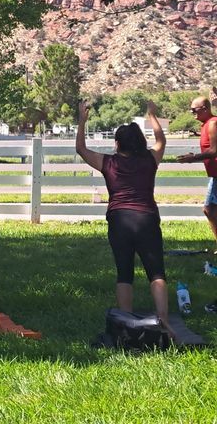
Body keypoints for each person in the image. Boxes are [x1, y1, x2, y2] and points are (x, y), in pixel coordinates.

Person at [77, 99, 171, 329]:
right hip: (146, 218)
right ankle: (164, 322)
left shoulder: (108, 162)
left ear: (117, 144)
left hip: (119, 219)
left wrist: (82, 120)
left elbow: (81, 149)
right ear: (139, 141)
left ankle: (126, 324)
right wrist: (152, 115)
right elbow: (161, 140)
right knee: (156, 271)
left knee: (124, 271)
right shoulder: (150, 159)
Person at [177, 92, 217, 250]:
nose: (192, 113)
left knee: (209, 210)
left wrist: (193, 158)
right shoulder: (206, 125)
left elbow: (214, 150)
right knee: (210, 211)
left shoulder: (213, 123)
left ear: (205, 108)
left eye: (194, 110)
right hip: (214, 175)